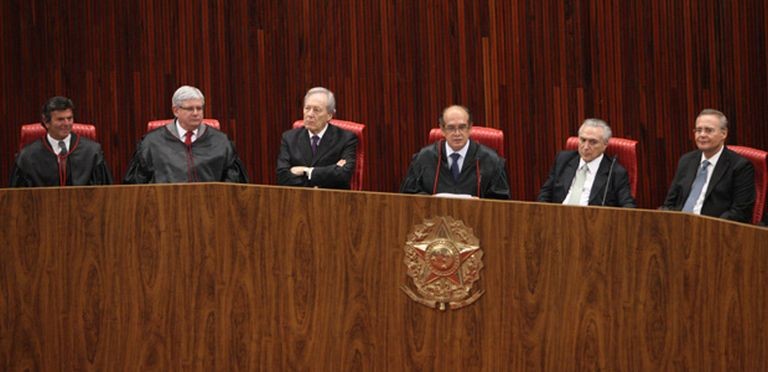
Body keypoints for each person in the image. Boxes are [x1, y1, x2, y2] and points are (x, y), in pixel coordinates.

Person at [123, 85, 248, 184]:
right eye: (190, 109)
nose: (196, 113)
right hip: (165, 211)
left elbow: (235, 185)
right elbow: (136, 187)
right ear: (176, 110)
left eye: (199, 108)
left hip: (210, 211)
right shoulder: (151, 144)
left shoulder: (221, 142)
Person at [661, 109, 754, 222]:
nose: (702, 135)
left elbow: (740, 212)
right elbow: (669, 202)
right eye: (698, 130)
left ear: (723, 133)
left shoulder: (740, 166)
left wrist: (707, 228)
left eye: (708, 130)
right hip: (679, 226)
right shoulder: (686, 160)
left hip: (713, 231)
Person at [400, 105, 510, 199]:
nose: (457, 133)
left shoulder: (492, 161)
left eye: (462, 127)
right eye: (451, 128)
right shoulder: (423, 158)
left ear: (470, 128)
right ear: (442, 129)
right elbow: (408, 198)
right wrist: (430, 202)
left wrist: (480, 204)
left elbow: (501, 204)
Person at [9, 96, 113, 187]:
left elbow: (104, 195)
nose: (67, 123)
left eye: (69, 118)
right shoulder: (27, 157)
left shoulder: (92, 152)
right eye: (60, 119)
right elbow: (18, 199)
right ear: (46, 122)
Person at [537, 118, 636, 207]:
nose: (586, 147)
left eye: (593, 142)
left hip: (591, 223)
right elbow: (545, 193)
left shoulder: (615, 172)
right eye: (583, 140)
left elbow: (628, 206)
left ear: (605, 144)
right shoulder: (563, 160)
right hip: (558, 220)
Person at [276, 87, 358, 189]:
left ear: (329, 115)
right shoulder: (289, 138)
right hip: (299, 200)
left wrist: (307, 171)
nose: (310, 114)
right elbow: (282, 177)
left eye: (316, 110)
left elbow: (343, 175)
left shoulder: (346, 138)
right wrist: (331, 170)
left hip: (333, 200)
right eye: (307, 108)